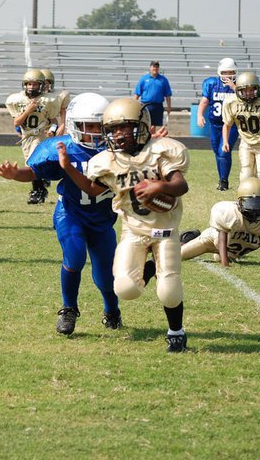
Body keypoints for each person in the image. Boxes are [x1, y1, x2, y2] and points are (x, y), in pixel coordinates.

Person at [59, 98, 191, 353]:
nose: (118, 135)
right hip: (133, 230)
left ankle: (176, 332)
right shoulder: (106, 161)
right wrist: (68, 168)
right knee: (125, 288)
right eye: (112, 130)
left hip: (164, 230)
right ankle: (149, 269)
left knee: (169, 290)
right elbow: (91, 189)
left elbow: (180, 185)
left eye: (125, 127)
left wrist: (158, 186)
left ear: (141, 126)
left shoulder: (160, 151)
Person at [0, 93, 123, 335]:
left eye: (99, 126)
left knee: (106, 275)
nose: (95, 132)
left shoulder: (117, 151)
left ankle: (112, 310)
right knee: (74, 258)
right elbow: (33, 173)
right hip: (71, 213)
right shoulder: (62, 148)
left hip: (102, 219)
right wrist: (16, 174)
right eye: (88, 126)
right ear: (75, 126)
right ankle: (68, 308)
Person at [180, 177, 260, 268]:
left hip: (231, 251)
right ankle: (187, 239)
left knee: (218, 257)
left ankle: (222, 255)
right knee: (177, 255)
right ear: (239, 202)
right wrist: (225, 263)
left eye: (258, 203)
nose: (254, 209)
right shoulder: (230, 213)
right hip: (212, 240)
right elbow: (221, 238)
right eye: (250, 204)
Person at [5, 69, 60, 204]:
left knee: (33, 162)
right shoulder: (17, 100)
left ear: (41, 85)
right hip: (26, 136)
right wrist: (28, 110)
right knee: (32, 163)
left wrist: (52, 130)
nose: (31, 87)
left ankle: (38, 191)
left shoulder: (48, 101)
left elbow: (54, 121)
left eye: (35, 84)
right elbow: (17, 122)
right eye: (29, 84)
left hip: (40, 135)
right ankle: (42, 185)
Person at [222, 71, 260, 184]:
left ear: (257, 89)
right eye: (245, 90)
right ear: (239, 90)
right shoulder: (232, 102)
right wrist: (225, 141)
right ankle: (244, 198)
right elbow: (227, 124)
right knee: (246, 173)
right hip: (245, 142)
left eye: (251, 90)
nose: (248, 93)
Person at [197, 57, 239, 191]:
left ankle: (224, 181)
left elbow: (245, 98)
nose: (228, 75)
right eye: (225, 72)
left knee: (224, 151)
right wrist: (199, 115)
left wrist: (234, 87)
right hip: (215, 125)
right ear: (220, 72)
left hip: (231, 125)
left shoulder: (239, 85)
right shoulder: (211, 83)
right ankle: (222, 178)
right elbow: (204, 101)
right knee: (217, 152)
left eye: (231, 71)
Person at [133, 60, 172, 127]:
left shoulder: (163, 80)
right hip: (146, 105)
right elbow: (137, 94)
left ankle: (153, 137)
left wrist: (169, 107)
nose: (155, 68)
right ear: (150, 68)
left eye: (157, 67)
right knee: (146, 124)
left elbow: (168, 95)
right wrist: (133, 106)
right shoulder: (144, 79)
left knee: (154, 125)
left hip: (158, 106)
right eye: (154, 66)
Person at [40, 69, 71, 137]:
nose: (45, 85)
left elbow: (55, 120)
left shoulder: (56, 96)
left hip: (50, 124)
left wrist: (62, 126)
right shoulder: (33, 97)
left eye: (46, 83)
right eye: (42, 83)